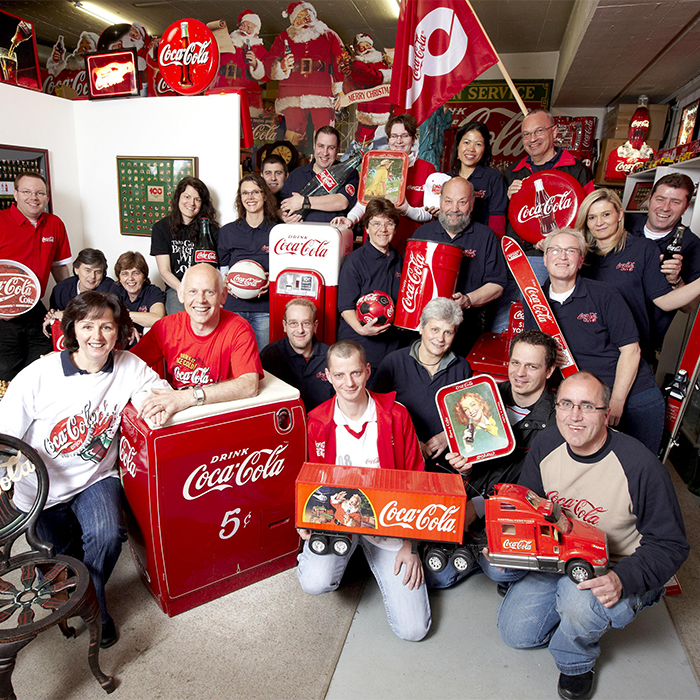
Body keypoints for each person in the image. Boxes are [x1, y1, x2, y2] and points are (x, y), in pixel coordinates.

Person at [498, 371, 689, 700]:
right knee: (516, 633)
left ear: (606, 414)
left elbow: (671, 545)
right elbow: (528, 502)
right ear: (555, 407)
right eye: (566, 404)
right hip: (563, 555)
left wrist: (622, 579)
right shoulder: (546, 444)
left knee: (578, 603)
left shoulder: (640, 466)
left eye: (587, 406)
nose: (574, 416)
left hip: (617, 564)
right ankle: (573, 609)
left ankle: (576, 662)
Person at [0, 291, 172, 648]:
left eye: (106, 326)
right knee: (62, 559)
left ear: (118, 331)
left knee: (108, 537)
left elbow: (160, 392)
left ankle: (89, 607)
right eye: (88, 325)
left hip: (95, 479)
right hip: (42, 489)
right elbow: (5, 440)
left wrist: (149, 405)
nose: (97, 336)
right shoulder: (38, 376)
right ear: (73, 330)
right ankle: (93, 606)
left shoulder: (127, 365)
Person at [299, 340, 429, 641]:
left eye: (356, 373)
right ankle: (344, 555)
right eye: (340, 375)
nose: (349, 383)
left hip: (389, 522)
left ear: (368, 371)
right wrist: (304, 522)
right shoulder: (316, 422)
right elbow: (307, 482)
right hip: (337, 523)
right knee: (313, 582)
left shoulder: (396, 414)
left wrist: (412, 545)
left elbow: (417, 479)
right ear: (328, 376)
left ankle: (367, 554)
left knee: (414, 630)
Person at [430, 329, 558, 589]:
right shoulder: (481, 398)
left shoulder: (558, 419)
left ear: (549, 371)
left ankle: (479, 551)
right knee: (435, 577)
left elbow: (541, 489)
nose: (520, 373)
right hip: (471, 500)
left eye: (532, 366)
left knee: (499, 571)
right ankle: (471, 548)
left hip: (514, 513)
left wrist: (478, 508)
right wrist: (463, 470)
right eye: (515, 363)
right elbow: (463, 465)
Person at [523, 228, 664, 454]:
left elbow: (631, 351)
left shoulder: (605, 294)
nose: (562, 256)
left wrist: (616, 401)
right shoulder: (534, 301)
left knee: (639, 474)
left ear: (580, 261)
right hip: (582, 401)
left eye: (571, 251)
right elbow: (532, 354)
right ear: (546, 258)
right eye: (555, 250)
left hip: (630, 396)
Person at [575, 188, 700, 362]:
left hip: (630, 351)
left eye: (606, 214)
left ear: (619, 214)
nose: (599, 223)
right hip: (587, 348)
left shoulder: (643, 249)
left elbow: (665, 301)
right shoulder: (578, 253)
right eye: (592, 217)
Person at [130, 263, 263, 426]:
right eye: (192, 291)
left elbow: (249, 386)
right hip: (181, 417)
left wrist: (188, 397)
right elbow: (129, 368)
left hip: (222, 417)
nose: (200, 300)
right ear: (181, 294)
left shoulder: (239, 329)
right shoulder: (165, 327)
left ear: (223, 296)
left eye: (209, 292)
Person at [373, 298, 471, 472]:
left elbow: (469, 416)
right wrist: (411, 442)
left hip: (445, 462)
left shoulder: (462, 367)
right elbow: (375, 412)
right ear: (421, 328)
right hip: (401, 460)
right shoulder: (394, 362)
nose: (440, 338)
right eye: (435, 329)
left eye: (448, 332)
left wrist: (448, 437)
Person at [412, 177, 507, 355]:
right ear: (440, 201)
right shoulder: (422, 234)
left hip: (468, 329)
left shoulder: (485, 236)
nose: (454, 209)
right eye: (448, 201)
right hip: (424, 330)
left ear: (471, 204)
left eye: (462, 202)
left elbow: (497, 285)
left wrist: (467, 300)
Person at [505, 109, 594, 278]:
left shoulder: (578, 170)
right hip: (521, 258)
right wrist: (511, 199)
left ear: (554, 131)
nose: (532, 139)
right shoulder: (512, 172)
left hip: (563, 259)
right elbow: (503, 220)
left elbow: (589, 219)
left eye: (539, 131)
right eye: (526, 134)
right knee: (520, 304)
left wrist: (558, 242)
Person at [0, 171, 71, 381]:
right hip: (3, 314)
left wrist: (68, 307)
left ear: (47, 198)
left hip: (34, 308)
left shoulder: (54, 224)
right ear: (15, 194)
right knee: (6, 371)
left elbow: (59, 269)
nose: (34, 197)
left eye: (40, 193)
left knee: (42, 364)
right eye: (27, 192)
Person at [333, 114, 435, 254]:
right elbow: (364, 202)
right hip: (376, 246)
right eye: (394, 136)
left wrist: (407, 210)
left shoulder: (427, 169)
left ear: (413, 139)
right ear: (388, 139)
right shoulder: (376, 163)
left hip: (411, 245)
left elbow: (430, 214)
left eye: (404, 135)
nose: (398, 141)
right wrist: (350, 219)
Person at [626, 173, 700, 352]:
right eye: (660, 199)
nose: (665, 208)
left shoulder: (691, 244)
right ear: (650, 200)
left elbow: (689, 307)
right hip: (599, 330)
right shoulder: (624, 224)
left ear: (686, 207)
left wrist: (675, 280)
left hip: (644, 344)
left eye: (675, 202)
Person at [336, 198, 403, 378]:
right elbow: (345, 307)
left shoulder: (400, 260)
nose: (383, 229)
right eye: (376, 223)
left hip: (393, 344)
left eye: (389, 223)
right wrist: (361, 329)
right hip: (361, 343)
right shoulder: (355, 262)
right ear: (366, 228)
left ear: (395, 228)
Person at [265, 1, 348, 145]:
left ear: (314, 16)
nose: (304, 20)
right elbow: (269, 60)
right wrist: (281, 65)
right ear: (293, 21)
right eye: (299, 17)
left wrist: (341, 89)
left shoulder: (329, 35)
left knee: (325, 130)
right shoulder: (284, 37)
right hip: (292, 90)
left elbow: (341, 61)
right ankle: (295, 163)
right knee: (293, 131)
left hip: (321, 89)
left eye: (307, 15)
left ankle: (324, 165)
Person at [218, 174, 278, 350]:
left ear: (265, 195)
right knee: (233, 358)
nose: (250, 197)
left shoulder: (278, 230)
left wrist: (271, 281)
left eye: (255, 192)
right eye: (245, 193)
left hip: (265, 309)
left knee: (264, 362)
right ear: (240, 198)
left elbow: (287, 269)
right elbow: (222, 266)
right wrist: (227, 282)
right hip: (233, 308)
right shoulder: (228, 231)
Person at [150, 176, 219, 315]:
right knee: (181, 323)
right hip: (177, 287)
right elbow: (164, 271)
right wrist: (183, 289)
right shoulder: (161, 228)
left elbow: (216, 267)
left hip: (206, 287)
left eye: (197, 199)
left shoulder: (210, 229)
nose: (191, 203)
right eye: (187, 197)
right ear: (178, 198)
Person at [260, 298, 333, 412]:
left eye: (306, 323)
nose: (300, 330)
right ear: (285, 325)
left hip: (321, 425)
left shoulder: (331, 357)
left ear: (315, 326)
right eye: (293, 323)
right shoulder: (270, 355)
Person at [279, 126, 359, 223]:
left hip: (332, 236)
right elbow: (280, 208)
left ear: (338, 149)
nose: (325, 153)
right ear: (314, 146)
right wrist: (282, 216)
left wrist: (304, 202)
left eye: (331, 148)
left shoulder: (349, 173)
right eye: (321, 146)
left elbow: (341, 202)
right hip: (299, 236)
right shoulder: (297, 174)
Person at [449, 121, 508, 238]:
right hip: (451, 246)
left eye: (478, 144)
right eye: (466, 142)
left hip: (481, 246)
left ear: (485, 149)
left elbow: (498, 224)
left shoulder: (493, 177)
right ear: (457, 146)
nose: (471, 149)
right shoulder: (446, 179)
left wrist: (490, 249)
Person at [43, 248, 114, 335]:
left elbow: (98, 316)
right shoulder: (61, 289)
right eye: (87, 270)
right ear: (76, 269)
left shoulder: (110, 287)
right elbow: (56, 319)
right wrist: (52, 317)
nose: (92, 276)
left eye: (98, 272)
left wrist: (66, 315)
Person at [345, 33, 392, 146]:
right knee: (365, 134)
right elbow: (373, 78)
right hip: (370, 107)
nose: (366, 48)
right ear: (357, 49)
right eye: (362, 46)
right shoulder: (357, 64)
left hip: (386, 105)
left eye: (368, 45)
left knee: (389, 136)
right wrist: (390, 74)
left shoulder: (381, 60)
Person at [216, 10, 267, 109]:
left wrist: (256, 64)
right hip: (221, 90)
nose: (244, 30)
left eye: (249, 28)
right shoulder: (226, 44)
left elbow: (268, 75)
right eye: (243, 25)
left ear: (256, 33)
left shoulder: (260, 49)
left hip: (245, 94)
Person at [108, 251, 165, 341]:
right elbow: (108, 316)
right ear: (119, 277)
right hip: (122, 340)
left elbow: (157, 319)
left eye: (135, 273)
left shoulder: (153, 291)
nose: (130, 278)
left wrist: (124, 315)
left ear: (144, 276)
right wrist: (127, 328)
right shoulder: (116, 289)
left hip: (145, 342)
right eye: (125, 273)